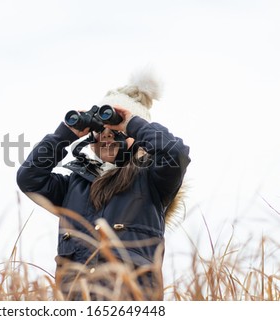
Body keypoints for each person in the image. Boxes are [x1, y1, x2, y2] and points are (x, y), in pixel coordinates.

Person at [16, 68, 190, 300]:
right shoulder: (73, 187)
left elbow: (175, 153)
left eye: (115, 130)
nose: (106, 135)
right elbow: (30, 178)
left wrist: (132, 123)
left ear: (138, 139)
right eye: (100, 130)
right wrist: (63, 135)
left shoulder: (153, 182)